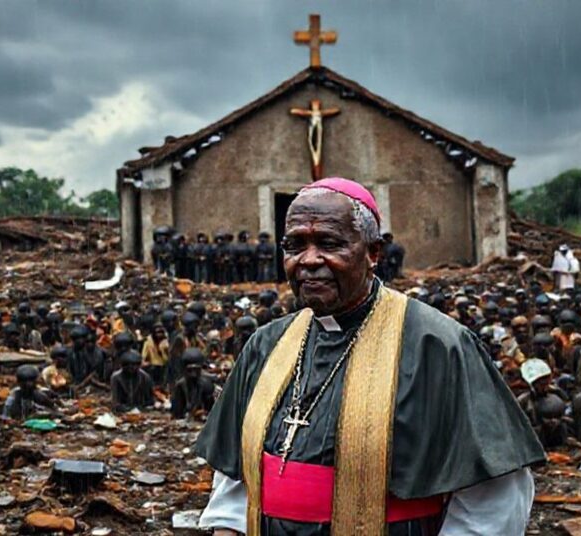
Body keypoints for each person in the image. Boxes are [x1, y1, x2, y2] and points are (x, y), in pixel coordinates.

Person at [196, 178, 543, 535]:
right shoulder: (265, 344)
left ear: (373, 252)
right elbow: (235, 476)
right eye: (294, 245)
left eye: (329, 243)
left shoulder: (437, 346)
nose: (309, 260)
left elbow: (495, 495)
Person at [171, 348, 215, 421]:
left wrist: (203, 413)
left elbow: (211, 410)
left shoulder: (207, 385)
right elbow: (177, 413)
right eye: (190, 370)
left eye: (196, 370)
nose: (193, 375)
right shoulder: (180, 386)